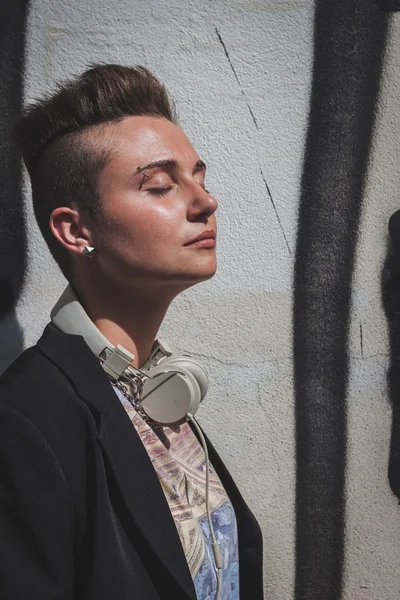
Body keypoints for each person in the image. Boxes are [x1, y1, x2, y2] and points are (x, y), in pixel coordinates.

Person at [0, 64, 263, 600]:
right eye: (161, 185)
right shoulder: (26, 421)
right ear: (76, 230)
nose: (205, 202)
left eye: (200, 178)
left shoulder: (156, 389)